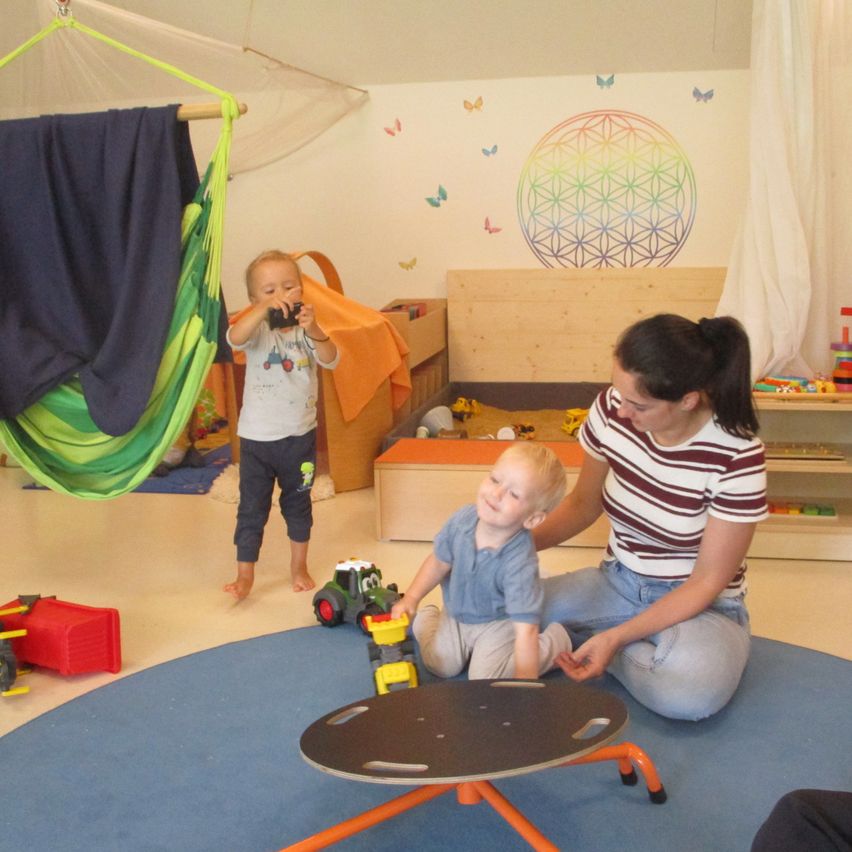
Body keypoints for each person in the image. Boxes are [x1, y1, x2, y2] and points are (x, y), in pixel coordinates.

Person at [534, 313, 768, 720]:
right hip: (617, 582)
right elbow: (582, 505)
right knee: (499, 610)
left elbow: (708, 581)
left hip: (701, 607)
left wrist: (617, 638)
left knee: (692, 693)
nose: (621, 411)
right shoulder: (612, 409)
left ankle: (603, 646)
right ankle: (607, 643)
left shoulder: (737, 455)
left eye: (639, 405)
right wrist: (507, 543)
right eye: (617, 393)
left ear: (688, 399)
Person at [391, 442, 573, 680]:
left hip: (497, 622)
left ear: (532, 519)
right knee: (440, 665)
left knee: (485, 680)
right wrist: (412, 598)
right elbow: (438, 562)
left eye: (514, 494)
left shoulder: (519, 563)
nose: (496, 494)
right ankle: (427, 616)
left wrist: (525, 684)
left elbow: (525, 630)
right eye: (495, 480)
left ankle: (557, 641)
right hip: (456, 611)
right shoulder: (461, 522)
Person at [223, 250, 339, 600]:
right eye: (269, 289)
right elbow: (235, 337)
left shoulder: (307, 332)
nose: (281, 295)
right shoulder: (256, 329)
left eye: (289, 286)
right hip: (257, 440)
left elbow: (332, 359)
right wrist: (262, 309)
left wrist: (314, 327)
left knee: (299, 504)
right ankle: (245, 575)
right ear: (253, 299)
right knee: (251, 507)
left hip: (299, 439)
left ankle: (298, 566)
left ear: (302, 290)